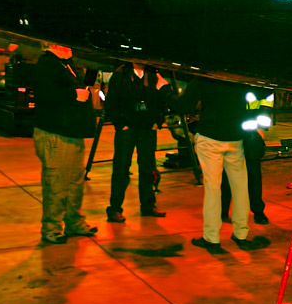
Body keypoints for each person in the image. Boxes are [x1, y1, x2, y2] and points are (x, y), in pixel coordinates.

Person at [174, 77, 268, 252]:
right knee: (240, 188)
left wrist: (164, 90)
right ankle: (241, 234)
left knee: (213, 189)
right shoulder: (238, 78)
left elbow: (183, 106)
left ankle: (212, 238)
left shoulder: (203, 79)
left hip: (210, 137)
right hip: (235, 138)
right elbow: (263, 93)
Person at [32, 42, 98, 244]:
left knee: (74, 181)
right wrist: (73, 95)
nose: (71, 47)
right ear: (53, 44)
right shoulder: (47, 64)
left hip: (71, 131)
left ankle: (74, 221)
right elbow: (45, 93)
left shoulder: (66, 64)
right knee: (57, 182)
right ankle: (51, 228)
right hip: (55, 133)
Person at [104, 62, 174, 222]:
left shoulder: (153, 75)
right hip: (127, 127)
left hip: (147, 127)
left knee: (148, 167)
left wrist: (157, 120)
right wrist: (121, 124)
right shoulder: (120, 75)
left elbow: (160, 100)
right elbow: (111, 102)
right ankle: (115, 208)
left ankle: (148, 204)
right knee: (121, 167)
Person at [220, 92, 270, 225]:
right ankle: (223, 210)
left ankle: (256, 210)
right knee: (228, 175)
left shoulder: (253, 88)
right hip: (235, 132)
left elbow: (263, 107)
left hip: (247, 134)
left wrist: (260, 131)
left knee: (251, 175)